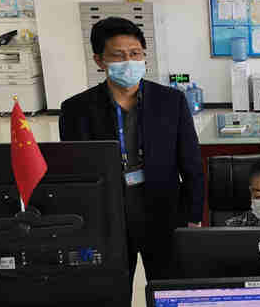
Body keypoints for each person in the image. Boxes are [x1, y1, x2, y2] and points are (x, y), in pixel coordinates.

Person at [59, 17, 204, 283]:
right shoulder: (76, 110)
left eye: (135, 53)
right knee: (111, 293)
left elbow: (192, 163)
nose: (129, 61)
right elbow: (74, 175)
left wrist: (194, 216)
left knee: (167, 290)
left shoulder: (171, 101)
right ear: (99, 60)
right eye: (118, 55)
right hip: (108, 217)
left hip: (163, 212)